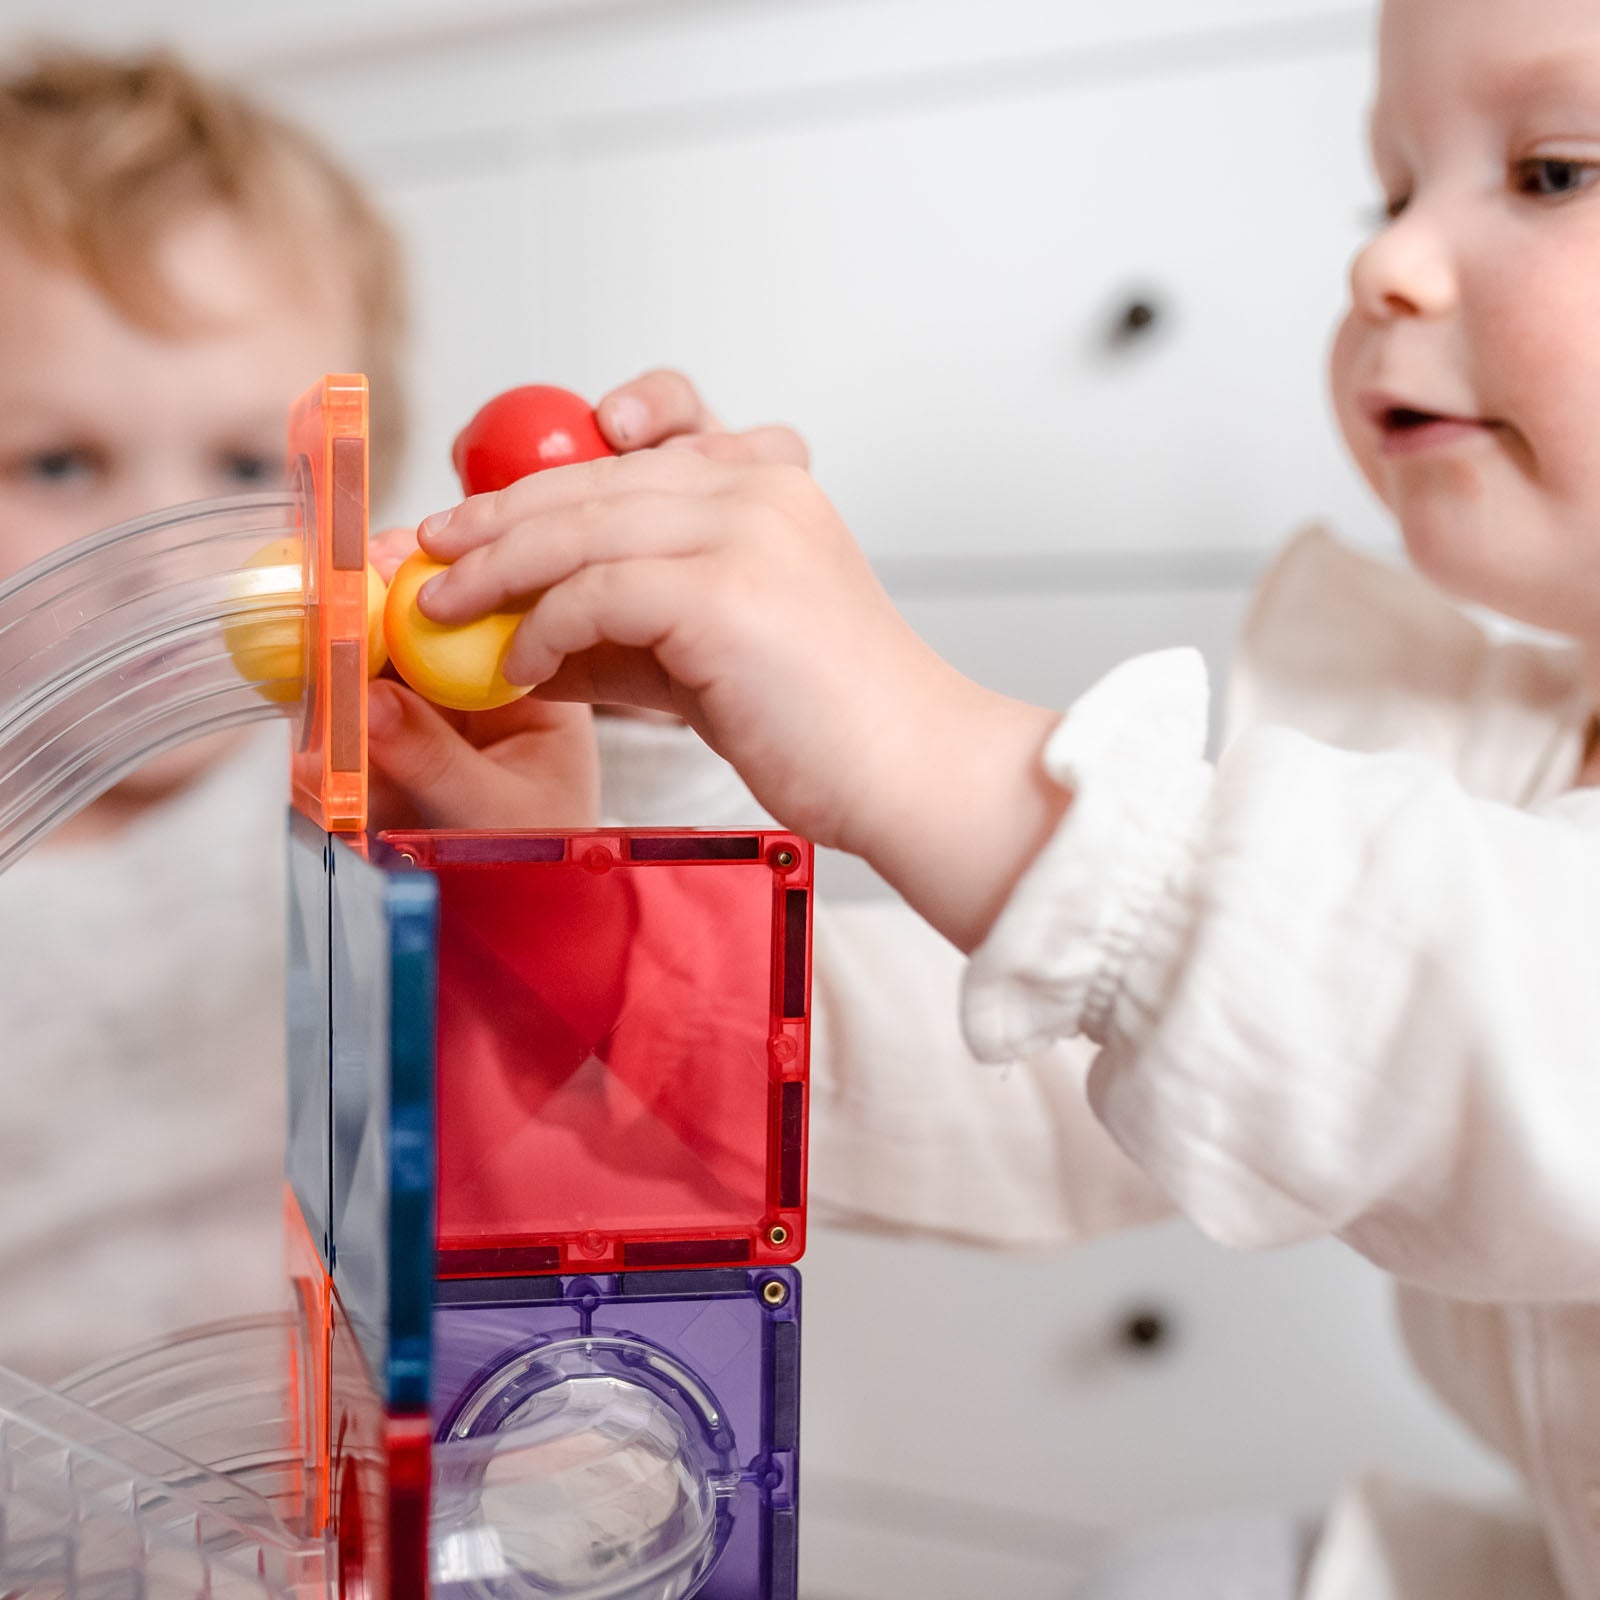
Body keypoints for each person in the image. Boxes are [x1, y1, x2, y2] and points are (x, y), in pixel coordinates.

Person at [395, 0, 1600, 1594]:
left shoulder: (1459, 905)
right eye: (1389, 190)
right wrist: (611, 940)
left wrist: (922, 746)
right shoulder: (1505, 745)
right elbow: (1055, 1062)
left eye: (1551, 171)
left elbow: (1486, 1018)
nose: (1389, 265)